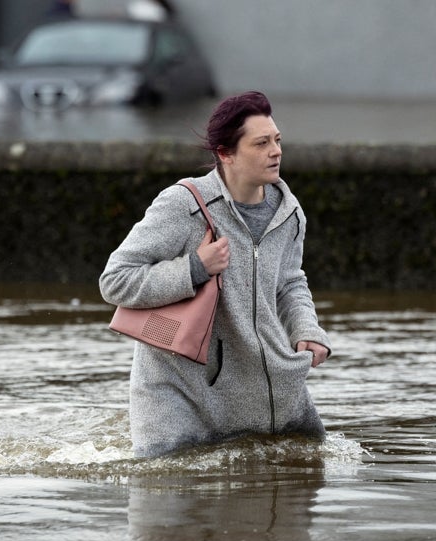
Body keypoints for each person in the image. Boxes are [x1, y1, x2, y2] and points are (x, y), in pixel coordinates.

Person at [99, 91, 331, 458]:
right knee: (171, 499)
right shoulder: (184, 204)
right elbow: (115, 281)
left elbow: (290, 283)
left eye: (277, 140)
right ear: (226, 153)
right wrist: (194, 268)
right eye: (261, 143)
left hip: (264, 390)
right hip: (178, 394)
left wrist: (306, 330)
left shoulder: (290, 212)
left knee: (303, 480)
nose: (276, 151)